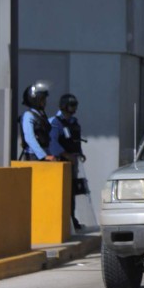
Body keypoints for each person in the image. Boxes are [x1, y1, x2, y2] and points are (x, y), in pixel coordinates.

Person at [49, 94, 87, 230]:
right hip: (62, 162)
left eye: (75, 105)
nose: (74, 108)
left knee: (72, 191)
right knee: (62, 192)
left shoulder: (74, 122)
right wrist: (65, 154)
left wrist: (80, 153)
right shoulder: (56, 122)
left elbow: (75, 141)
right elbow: (52, 142)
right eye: (72, 105)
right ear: (64, 105)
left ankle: (72, 217)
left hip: (73, 162)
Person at [19, 81, 56, 161]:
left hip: (44, 152)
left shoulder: (41, 115)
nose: (45, 102)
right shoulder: (28, 115)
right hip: (33, 155)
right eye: (42, 99)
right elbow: (29, 138)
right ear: (35, 99)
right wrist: (43, 156)